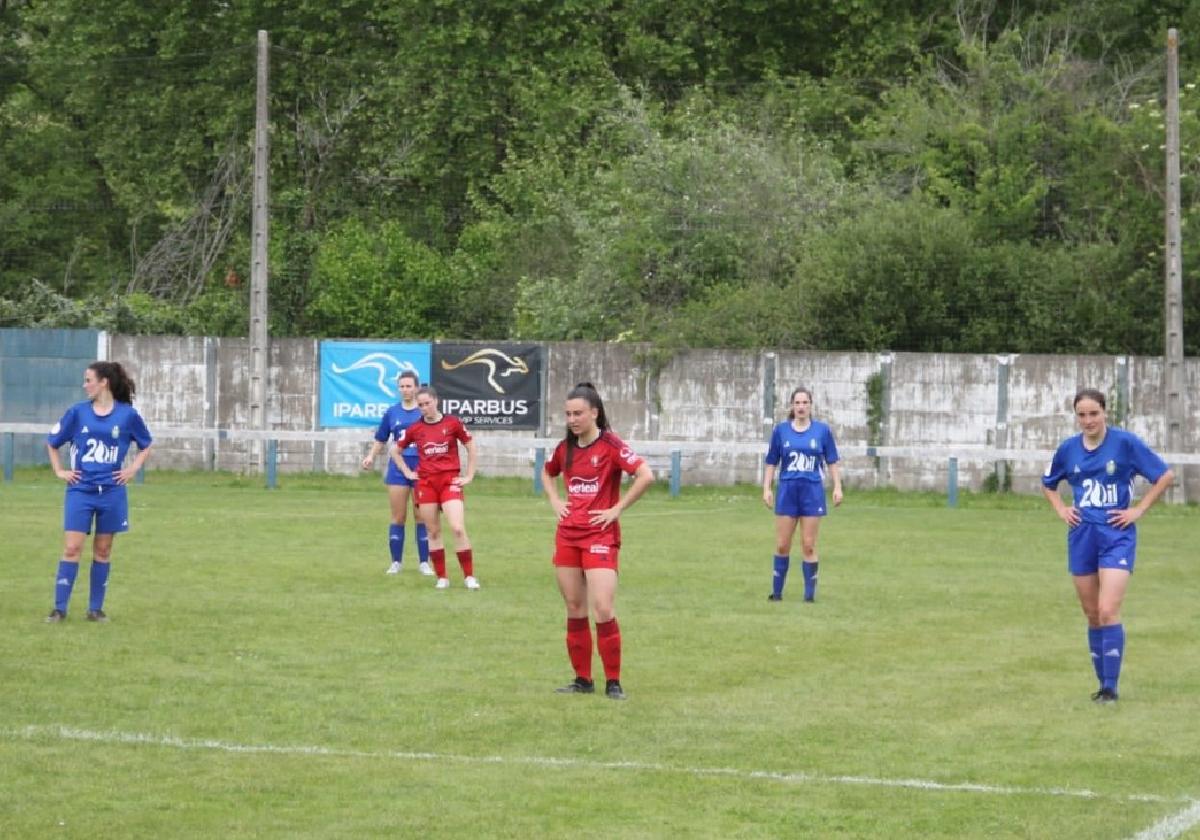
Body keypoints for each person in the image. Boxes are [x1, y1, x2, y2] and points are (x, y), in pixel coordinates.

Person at [1041, 388, 1174, 704]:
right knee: (1091, 613)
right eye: (1082, 415)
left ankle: (1111, 688)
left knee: (1107, 608)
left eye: (1094, 414)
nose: (1088, 421)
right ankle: (1102, 684)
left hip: (1117, 535)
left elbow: (1164, 476)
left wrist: (1138, 510)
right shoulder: (1068, 449)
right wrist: (1062, 509)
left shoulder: (1125, 444)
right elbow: (1049, 484)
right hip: (1082, 536)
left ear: (1105, 413)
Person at [541, 382, 655, 701]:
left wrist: (616, 509)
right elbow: (546, 472)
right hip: (568, 536)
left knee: (602, 608)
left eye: (578, 413)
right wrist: (554, 501)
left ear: (594, 413)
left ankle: (613, 682)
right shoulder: (565, 449)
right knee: (575, 607)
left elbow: (646, 475)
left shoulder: (611, 445)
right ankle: (583, 679)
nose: (572, 419)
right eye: (567, 414)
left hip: (600, 536)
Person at [44, 361, 153, 623]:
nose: (85, 385)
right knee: (72, 548)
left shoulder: (127, 415)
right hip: (80, 490)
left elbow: (146, 444)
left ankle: (95, 609)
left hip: (112, 492)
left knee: (103, 550)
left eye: (88, 380)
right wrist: (60, 471)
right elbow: (52, 442)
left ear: (103, 382)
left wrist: (132, 469)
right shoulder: (77, 413)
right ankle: (59, 609)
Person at [391, 385, 479, 590]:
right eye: (420, 405)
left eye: (427, 403)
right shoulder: (416, 428)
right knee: (433, 531)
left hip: (449, 481)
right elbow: (396, 451)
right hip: (426, 484)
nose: (424, 408)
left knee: (457, 528)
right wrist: (407, 472)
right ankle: (442, 577)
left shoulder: (452, 422)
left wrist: (469, 475)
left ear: (436, 401)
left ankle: (469, 576)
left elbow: (471, 446)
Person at [762, 387, 843, 602]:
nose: (801, 407)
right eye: (797, 403)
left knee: (808, 545)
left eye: (805, 403)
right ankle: (776, 594)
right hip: (788, 491)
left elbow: (832, 461)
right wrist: (767, 488)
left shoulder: (822, 431)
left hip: (812, 493)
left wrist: (837, 487)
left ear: (810, 406)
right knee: (782, 544)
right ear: (791, 406)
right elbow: (771, 462)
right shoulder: (781, 431)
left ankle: (809, 597)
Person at [361, 370, 432, 576]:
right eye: (402, 386)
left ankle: (424, 563)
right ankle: (396, 562)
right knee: (398, 516)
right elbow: (381, 438)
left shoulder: (424, 412)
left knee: (422, 516)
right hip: (398, 468)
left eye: (409, 386)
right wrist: (370, 457)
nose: (405, 390)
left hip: (422, 468)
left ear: (417, 388)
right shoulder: (392, 412)